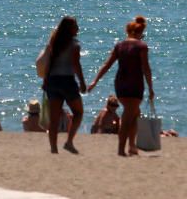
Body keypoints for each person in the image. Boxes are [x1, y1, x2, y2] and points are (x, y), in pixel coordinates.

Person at [87, 16, 155, 156]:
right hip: (135, 84)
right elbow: (146, 68)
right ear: (140, 32)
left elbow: (107, 65)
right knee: (128, 117)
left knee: (135, 114)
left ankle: (131, 146)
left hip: (121, 84)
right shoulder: (142, 46)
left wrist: (95, 81)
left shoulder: (119, 46)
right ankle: (120, 149)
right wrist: (150, 87)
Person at [41, 15, 87, 154]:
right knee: (78, 112)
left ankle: (54, 149)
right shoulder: (74, 45)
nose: (78, 28)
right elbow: (75, 64)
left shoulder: (54, 42)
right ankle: (69, 141)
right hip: (67, 80)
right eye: (75, 26)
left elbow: (49, 63)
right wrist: (82, 82)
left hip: (53, 80)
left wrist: (45, 80)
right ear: (70, 29)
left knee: (54, 119)